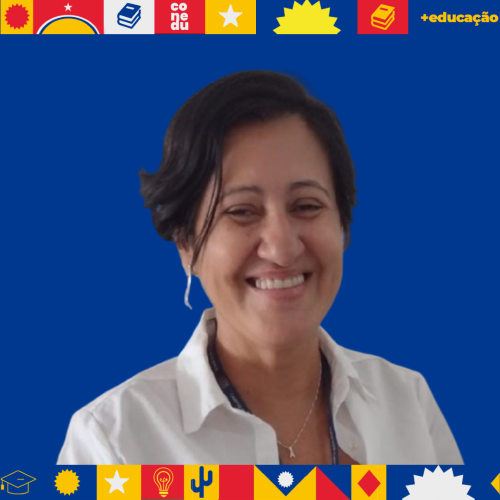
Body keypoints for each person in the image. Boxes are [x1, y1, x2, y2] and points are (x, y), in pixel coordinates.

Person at [57, 70, 463, 465]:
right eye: (241, 211)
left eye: (307, 206)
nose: (282, 249)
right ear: (186, 244)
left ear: (342, 224)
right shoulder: (113, 442)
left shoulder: (407, 402)